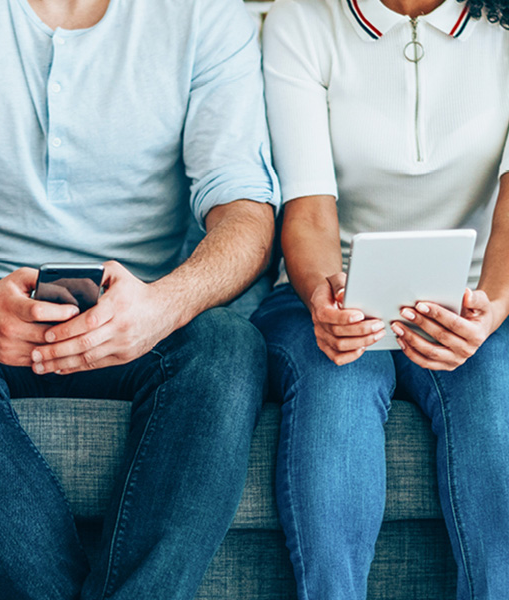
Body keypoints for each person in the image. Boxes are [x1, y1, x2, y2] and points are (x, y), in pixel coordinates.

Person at [0, 0, 281, 598]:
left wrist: (161, 306)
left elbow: (246, 212)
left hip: (143, 323)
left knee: (228, 343)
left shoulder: (205, 11)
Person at [253, 0, 509, 598]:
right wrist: (325, 298)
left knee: (496, 408)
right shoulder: (301, 21)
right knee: (334, 396)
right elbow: (309, 206)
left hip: (469, 297)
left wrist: (493, 304)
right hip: (325, 293)